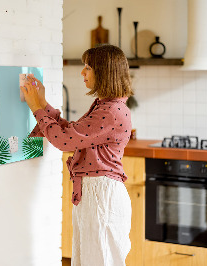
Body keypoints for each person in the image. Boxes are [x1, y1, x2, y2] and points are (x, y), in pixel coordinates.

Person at [21, 44, 133, 266]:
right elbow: (72, 133)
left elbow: (64, 141)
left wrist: (36, 108)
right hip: (96, 195)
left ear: (104, 72)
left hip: (101, 197)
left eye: (88, 67)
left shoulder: (110, 111)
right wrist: (42, 104)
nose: (83, 73)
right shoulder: (106, 106)